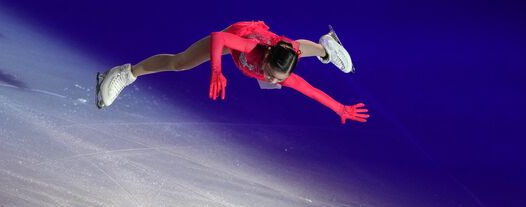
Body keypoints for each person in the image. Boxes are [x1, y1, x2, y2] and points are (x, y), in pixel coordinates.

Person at [96, 21, 369, 125]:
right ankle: (125, 73)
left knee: (294, 48)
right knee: (180, 63)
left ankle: (325, 49)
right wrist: (217, 70)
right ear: (265, 60)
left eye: (278, 78)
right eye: (270, 73)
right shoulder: (251, 49)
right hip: (238, 34)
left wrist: (340, 108)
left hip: (281, 49)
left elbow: (311, 91)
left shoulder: (283, 72)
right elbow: (219, 38)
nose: (273, 80)